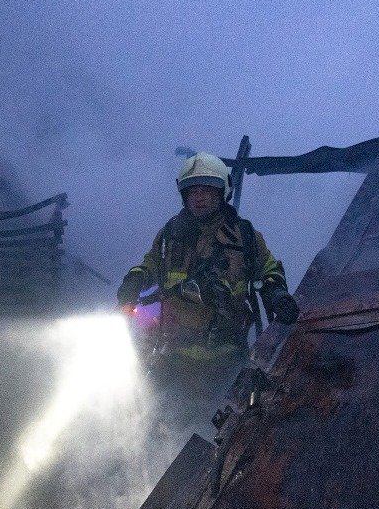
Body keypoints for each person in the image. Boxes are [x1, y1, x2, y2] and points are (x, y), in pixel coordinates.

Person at [117, 152, 299, 430]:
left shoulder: (245, 236)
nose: (199, 198)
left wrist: (277, 295)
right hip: (171, 359)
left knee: (223, 432)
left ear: (222, 192)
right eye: (193, 192)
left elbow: (269, 269)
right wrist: (133, 282)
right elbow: (150, 265)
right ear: (184, 196)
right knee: (156, 429)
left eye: (207, 190)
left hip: (226, 360)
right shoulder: (170, 235)